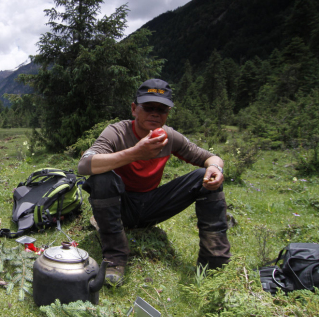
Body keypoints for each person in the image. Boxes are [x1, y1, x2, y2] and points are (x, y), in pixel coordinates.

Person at [77, 78, 231, 284]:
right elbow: (84, 165)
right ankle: (115, 259)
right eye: (148, 107)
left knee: (204, 177)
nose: (155, 113)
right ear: (134, 109)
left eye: (162, 109)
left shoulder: (169, 136)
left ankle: (214, 263)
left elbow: (210, 157)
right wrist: (135, 153)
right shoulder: (116, 132)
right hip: (121, 206)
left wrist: (216, 167)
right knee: (101, 178)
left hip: (153, 205)